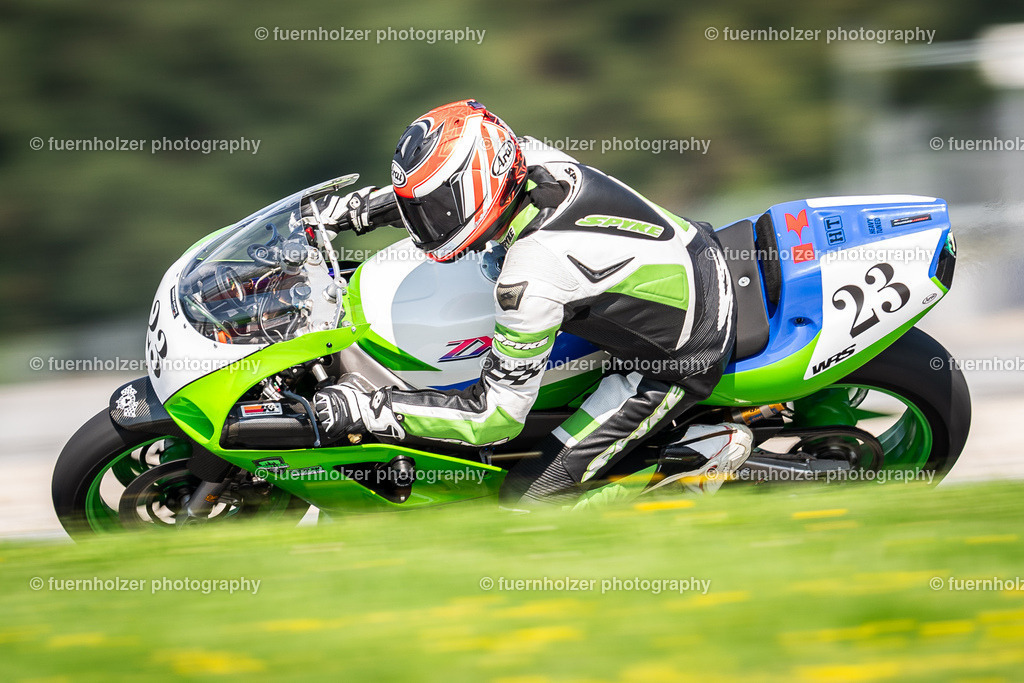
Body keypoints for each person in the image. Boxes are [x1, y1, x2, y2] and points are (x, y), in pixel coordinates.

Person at [311, 99, 752, 508]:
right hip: (695, 249)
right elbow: (442, 188)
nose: (427, 223)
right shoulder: (529, 157)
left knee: (526, 502)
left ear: (478, 187)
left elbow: (496, 416)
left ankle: (696, 459)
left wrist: (373, 409)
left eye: (438, 209)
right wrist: (357, 210)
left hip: (681, 354)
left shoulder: (529, 278)